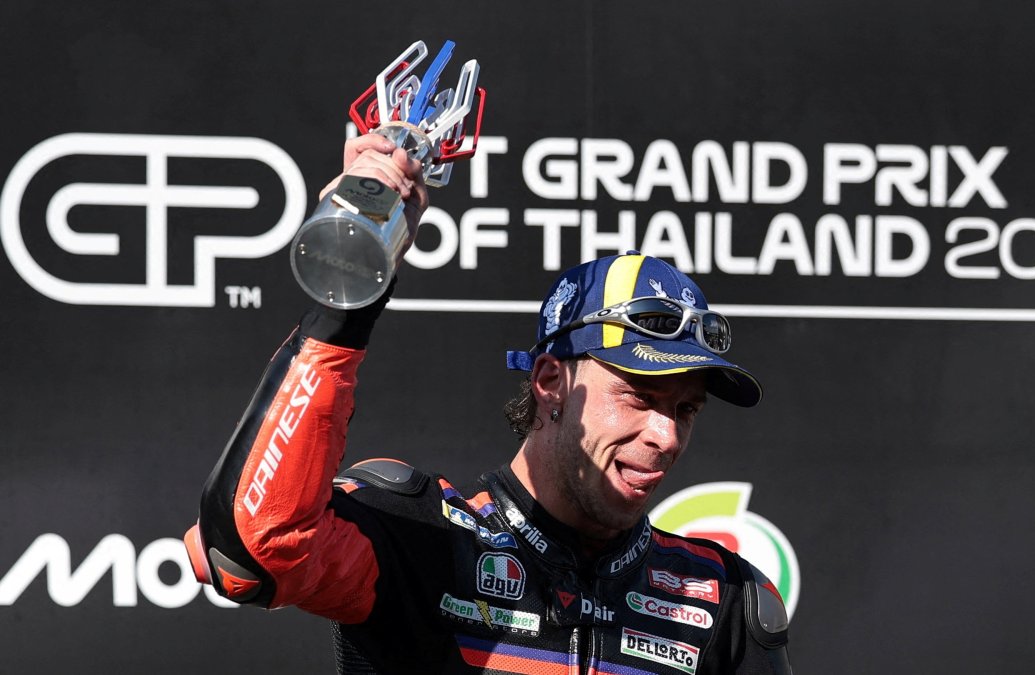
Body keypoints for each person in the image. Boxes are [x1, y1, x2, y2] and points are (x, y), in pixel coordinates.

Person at [185, 134, 793, 674]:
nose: (665, 435)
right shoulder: (424, 541)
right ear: (551, 381)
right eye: (638, 396)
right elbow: (250, 550)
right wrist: (348, 294)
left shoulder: (722, 599)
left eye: (686, 410)